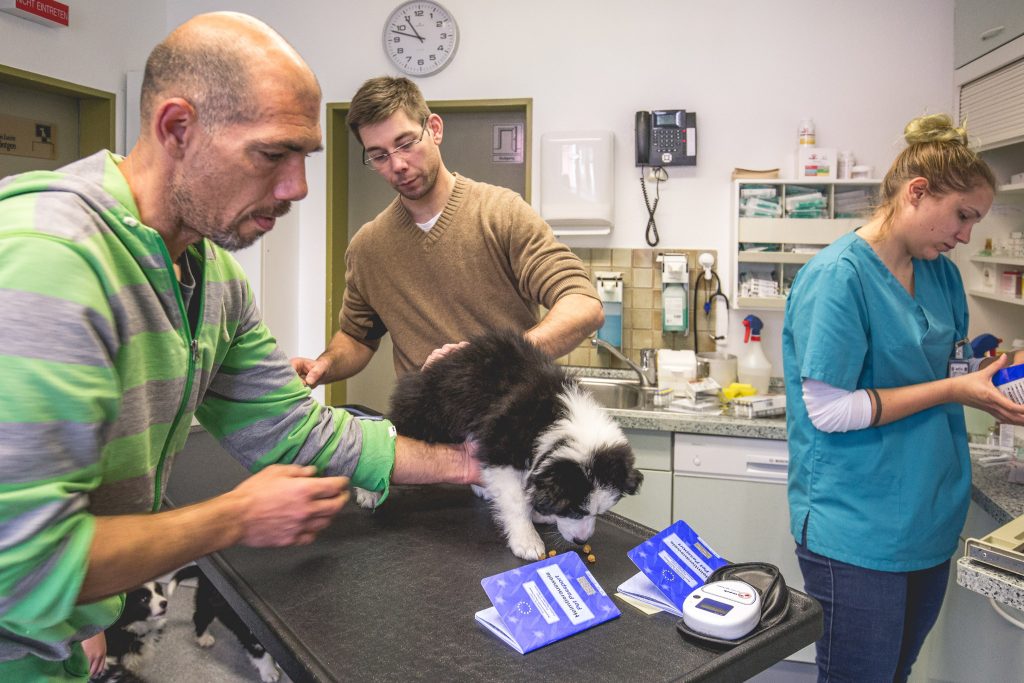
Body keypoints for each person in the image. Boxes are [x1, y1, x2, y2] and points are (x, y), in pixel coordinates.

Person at [0, 13, 478, 681]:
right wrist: (231, 517)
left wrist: (466, 464)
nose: (297, 188)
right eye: (271, 154)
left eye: (304, 158)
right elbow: (24, 565)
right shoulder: (49, 261)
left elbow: (294, 428)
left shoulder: (211, 278)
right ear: (176, 128)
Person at [782, 113, 1024, 682]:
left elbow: (943, 362)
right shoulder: (839, 277)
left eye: (975, 221)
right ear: (917, 192)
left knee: (895, 674)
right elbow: (831, 410)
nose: (965, 234)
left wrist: (987, 375)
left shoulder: (937, 271)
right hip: (857, 526)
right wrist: (955, 388)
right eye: (962, 215)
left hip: (927, 516)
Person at [291, 76, 604, 386]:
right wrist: (325, 365)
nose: (397, 164)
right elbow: (357, 337)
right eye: (379, 155)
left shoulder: (501, 213)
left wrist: (496, 360)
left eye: (406, 143)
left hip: (513, 419)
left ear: (435, 129)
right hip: (427, 427)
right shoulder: (368, 248)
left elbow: (582, 304)